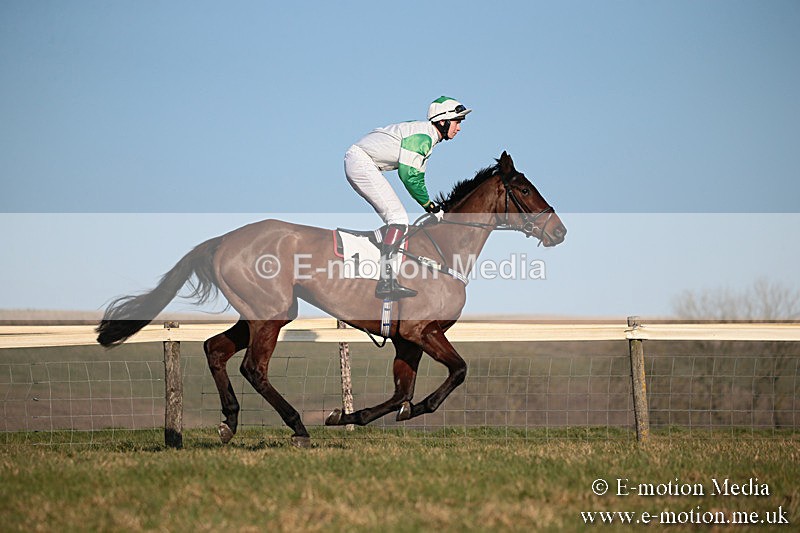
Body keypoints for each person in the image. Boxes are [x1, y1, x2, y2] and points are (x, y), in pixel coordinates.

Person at [344, 96, 471, 300]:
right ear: (443, 121)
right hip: (361, 162)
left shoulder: (427, 136)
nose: (459, 128)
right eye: (457, 122)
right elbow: (409, 176)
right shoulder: (424, 137)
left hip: (364, 162)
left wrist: (430, 205)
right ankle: (386, 281)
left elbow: (417, 177)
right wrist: (429, 206)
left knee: (397, 217)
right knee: (398, 218)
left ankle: (386, 271)